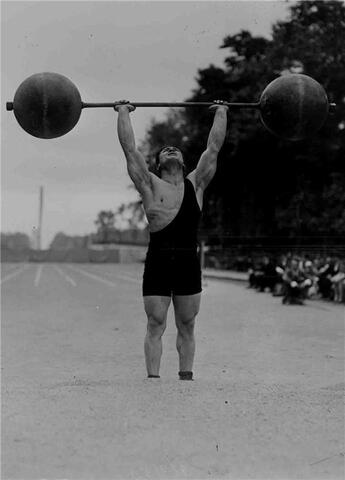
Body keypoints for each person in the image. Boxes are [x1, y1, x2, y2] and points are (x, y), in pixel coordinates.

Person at [114, 100, 228, 380]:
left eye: (175, 148)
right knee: (155, 322)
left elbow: (213, 149)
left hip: (188, 261)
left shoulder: (196, 183)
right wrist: (123, 112)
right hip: (159, 261)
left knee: (187, 324)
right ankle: (153, 380)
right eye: (164, 150)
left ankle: (185, 378)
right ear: (158, 163)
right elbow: (130, 150)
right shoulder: (149, 184)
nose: (170, 149)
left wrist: (222, 112)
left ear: (184, 161)